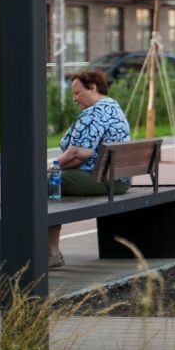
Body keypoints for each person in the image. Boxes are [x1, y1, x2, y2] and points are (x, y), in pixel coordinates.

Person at [47, 69, 131, 268]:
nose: (74, 99)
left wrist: (52, 166)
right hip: (120, 179)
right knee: (52, 177)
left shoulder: (94, 113)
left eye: (77, 93)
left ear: (93, 88)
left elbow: (78, 154)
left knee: (46, 181)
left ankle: (51, 252)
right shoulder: (113, 106)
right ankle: (49, 249)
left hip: (103, 178)